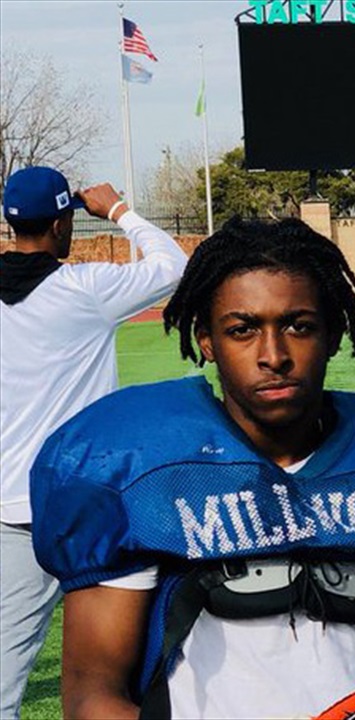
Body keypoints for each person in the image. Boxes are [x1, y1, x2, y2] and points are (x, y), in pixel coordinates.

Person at [30, 218, 355, 719]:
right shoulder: (136, 466)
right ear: (206, 341)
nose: (273, 355)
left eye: (299, 326)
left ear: (333, 333)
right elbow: (92, 695)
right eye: (242, 330)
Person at [0, 167, 187, 719]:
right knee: (123, 678)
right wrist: (118, 210)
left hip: (12, 507)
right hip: (89, 507)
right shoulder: (85, 289)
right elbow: (172, 266)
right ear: (62, 225)